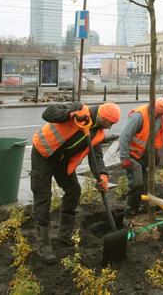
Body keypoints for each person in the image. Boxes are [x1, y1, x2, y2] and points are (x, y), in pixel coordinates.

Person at [30, 101, 121, 264]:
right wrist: (70, 115)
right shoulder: (79, 108)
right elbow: (48, 112)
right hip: (43, 154)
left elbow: (96, 158)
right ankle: (43, 245)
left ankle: (64, 236)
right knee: (43, 198)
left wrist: (103, 176)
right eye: (109, 122)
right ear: (102, 116)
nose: (109, 127)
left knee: (73, 190)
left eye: (112, 124)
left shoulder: (98, 133)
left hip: (61, 161)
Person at [118, 97, 163, 215]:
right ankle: (130, 210)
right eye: (157, 114)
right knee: (137, 183)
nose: (158, 117)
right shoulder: (138, 117)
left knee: (147, 183)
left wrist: (155, 153)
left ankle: (144, 207)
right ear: (152, 108)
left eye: (160, 115)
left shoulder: (159, 119)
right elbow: (124, 137)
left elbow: (156, 137)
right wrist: (124, 158)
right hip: (132, 155)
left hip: (144, 155)